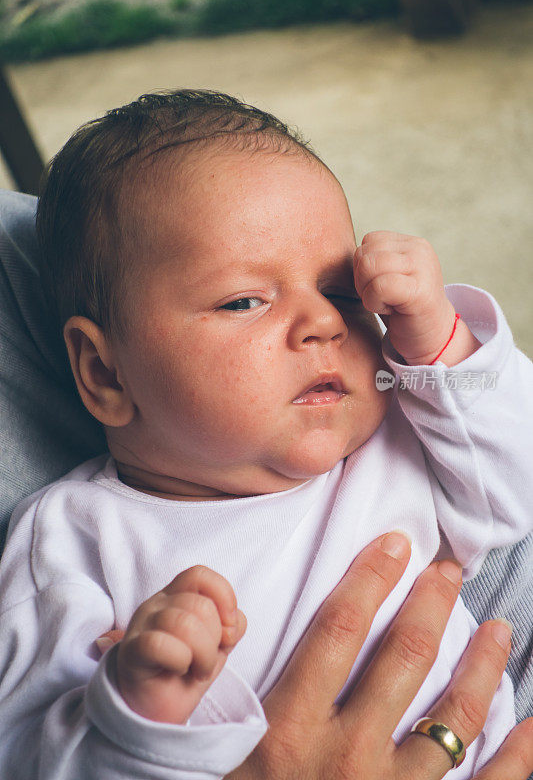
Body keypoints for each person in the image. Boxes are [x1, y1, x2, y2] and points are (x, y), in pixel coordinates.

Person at [0, 89, 531, 780]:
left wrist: (442, 348)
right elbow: (22, 749)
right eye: (243, 300)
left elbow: (515, 489)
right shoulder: (72, 536)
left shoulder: (392, 446)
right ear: (106, 372)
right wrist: (134, 715)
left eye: (341, 292)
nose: (322, 323)